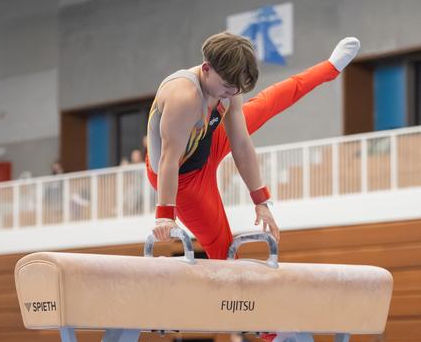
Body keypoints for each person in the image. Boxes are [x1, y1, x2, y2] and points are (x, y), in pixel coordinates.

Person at [146, 31, 360, 260]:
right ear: (206, 68)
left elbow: (241, 143)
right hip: (182, 178)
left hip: (209, 140)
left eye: (237, 88)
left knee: (268, 102)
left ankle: (329, 68)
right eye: (228, 86)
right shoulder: (184, 98)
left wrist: (261, 202)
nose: (232, 93)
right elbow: (168, 159)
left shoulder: (230, 85)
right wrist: (165, 215)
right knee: (224, 252)